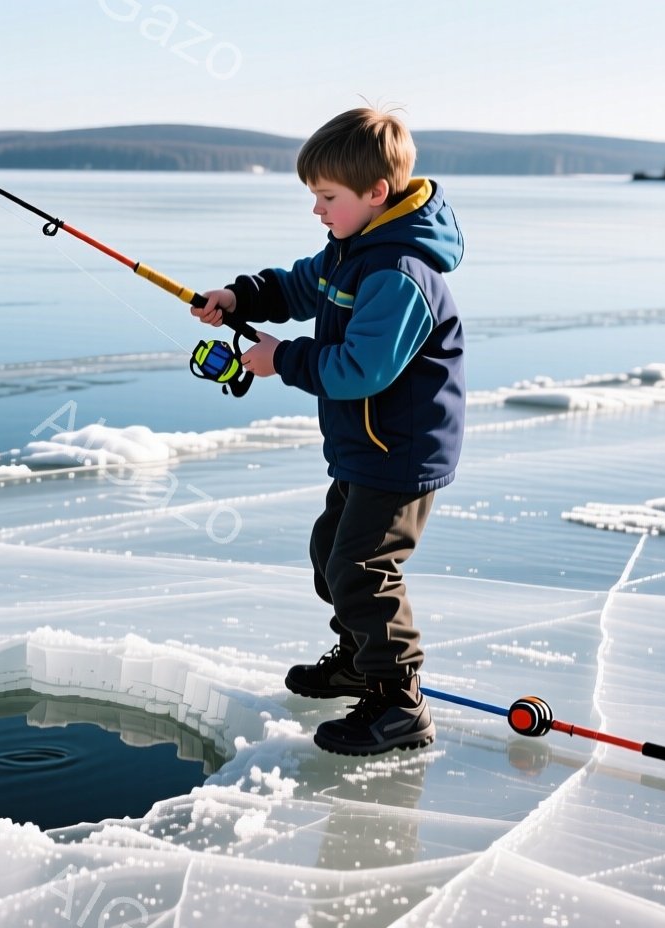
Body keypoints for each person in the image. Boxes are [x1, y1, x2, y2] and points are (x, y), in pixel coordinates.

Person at [191, 106, 465, 756]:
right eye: (315, 196)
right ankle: (357, 661)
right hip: (362, 449)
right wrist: (238, 298)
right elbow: (301, 287)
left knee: (363, 568)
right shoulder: (353, 250)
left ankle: (399, 704)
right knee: (330, 556)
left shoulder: (399, 273)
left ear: (376, 193)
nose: (317, 210)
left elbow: (358, 371)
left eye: (327, 197)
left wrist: (279, 359)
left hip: (399, 452)